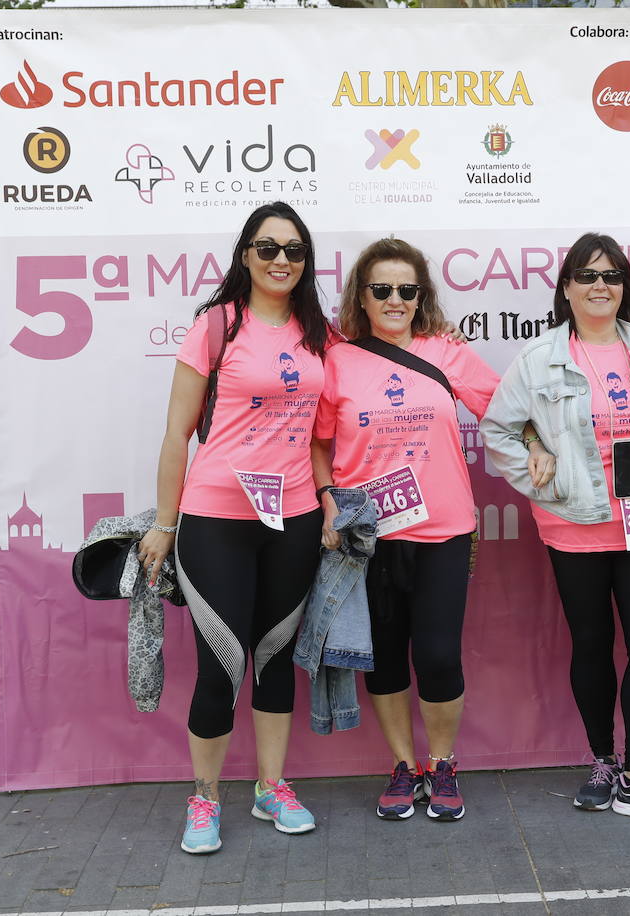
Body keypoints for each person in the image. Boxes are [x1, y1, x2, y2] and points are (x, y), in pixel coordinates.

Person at [136, 202, 331, 855]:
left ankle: (270, 786)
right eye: (268, 247)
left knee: (274, 661)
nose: (281, 260)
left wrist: (330, 504)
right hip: (217, 517)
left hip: (294, 519)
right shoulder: (217, 325)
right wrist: (165, 523)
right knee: (221, 666)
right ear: (246, 254)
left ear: (306, 262)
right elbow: (175, 434)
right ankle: (204, 797)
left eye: (294, 250)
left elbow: (321, 433)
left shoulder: (316, 332)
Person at [481, 233, 630, 824]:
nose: (601, 286)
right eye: (588, 276)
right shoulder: (541, 357)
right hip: (577, 521)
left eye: (612, 276)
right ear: (567, 288)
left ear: (624, 287)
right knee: (592, 643)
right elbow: (499, 427)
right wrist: (538, 470)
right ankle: (603, 761)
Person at [311, 237, 500, 822]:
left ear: (421, 297)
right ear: (361, 297)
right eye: (382, 289)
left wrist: (542, 446)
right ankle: (404, 765)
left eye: (407, 289)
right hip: (369, 537)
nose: (395, 299)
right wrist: (326, 503)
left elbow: (505, 407)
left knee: (440, 656)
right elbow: (319, 441)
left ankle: (442, 764)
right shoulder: (338, 359)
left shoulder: (447, 351)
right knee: (387, 658)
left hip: (443, 530)